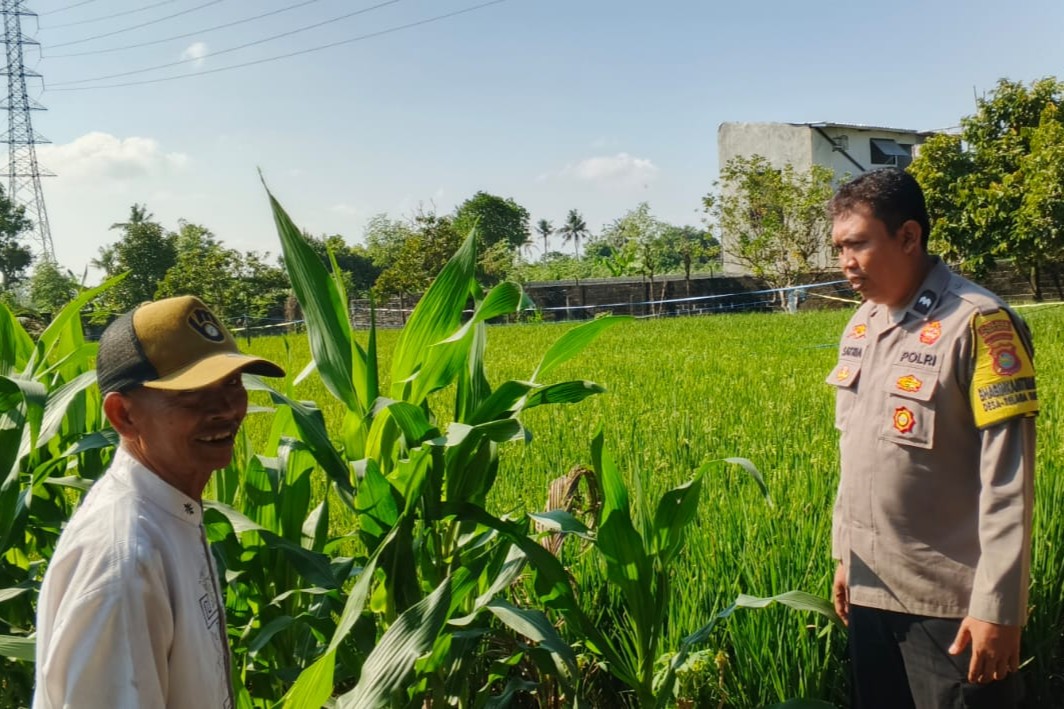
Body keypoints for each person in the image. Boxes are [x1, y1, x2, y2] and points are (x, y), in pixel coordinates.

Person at [826, 168, 1038, 709]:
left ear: (908, 236)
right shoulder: (862, 325)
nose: (845, 263)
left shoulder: (979, 324)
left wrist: (998, 606)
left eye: (858, 245)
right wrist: (845, 557)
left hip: (951, 607)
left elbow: (1008, 478)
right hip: (872, 593)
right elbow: (855, 453)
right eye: (839, 248)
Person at [34, 295, 284, 708]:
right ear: (123, 416)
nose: (226, 409)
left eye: (233, 384)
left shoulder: (169, 513)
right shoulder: (126, 562)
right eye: (193, 394)